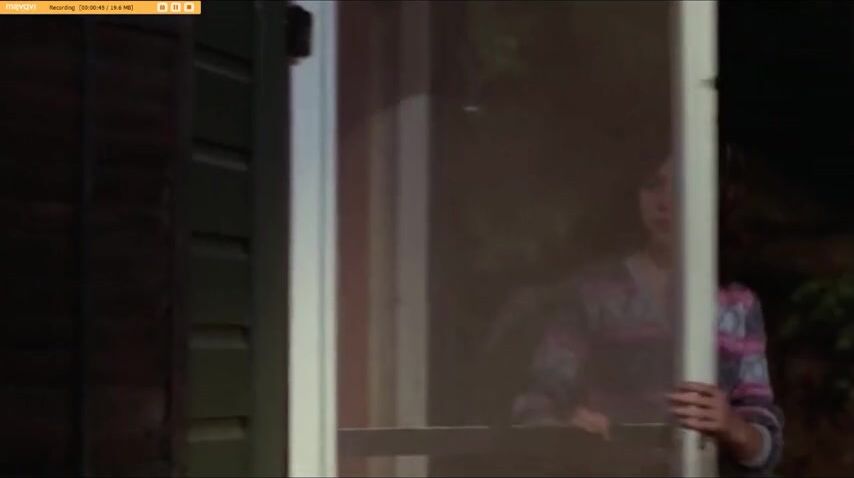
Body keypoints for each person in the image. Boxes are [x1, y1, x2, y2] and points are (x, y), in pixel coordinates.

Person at [502, 157, 783, 476]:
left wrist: (731, 426)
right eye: (653, 185)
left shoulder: (737, 305)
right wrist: (567, 431)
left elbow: (764, 446)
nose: (665, 202)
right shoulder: (594, 293)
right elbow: (536, 401)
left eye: (682, 185)